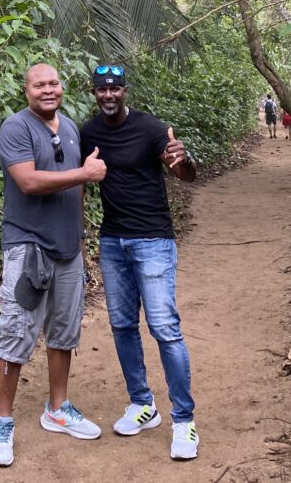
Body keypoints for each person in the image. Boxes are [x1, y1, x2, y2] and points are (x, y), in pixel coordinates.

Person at [0, 62, 107, 467]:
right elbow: (29, 181)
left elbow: (78, 190)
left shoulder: (70, 127)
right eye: (39, 85)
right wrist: (84, 173)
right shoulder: (16, 127)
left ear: (62, 87)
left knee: (64, 332)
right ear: (26, 91)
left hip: (68, 248)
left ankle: (58, 408)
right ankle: (3, 422)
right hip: (28, 248)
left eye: (54, 83)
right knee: (15, 333)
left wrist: (81, 239)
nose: (48, 89)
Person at [80, 63, 200, 461]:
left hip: (153, 240)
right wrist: (77, 234)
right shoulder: (89, 132)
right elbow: (80, 178)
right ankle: (142, 404)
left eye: (115, 89)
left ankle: (183, 420)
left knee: (164, 327)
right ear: (94, 93)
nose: (109, 95)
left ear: (125, 92)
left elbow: (185, 175)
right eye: (102, 89)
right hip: (112, 241)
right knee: (121, 325)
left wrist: (183, 159)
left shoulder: (151, 128)